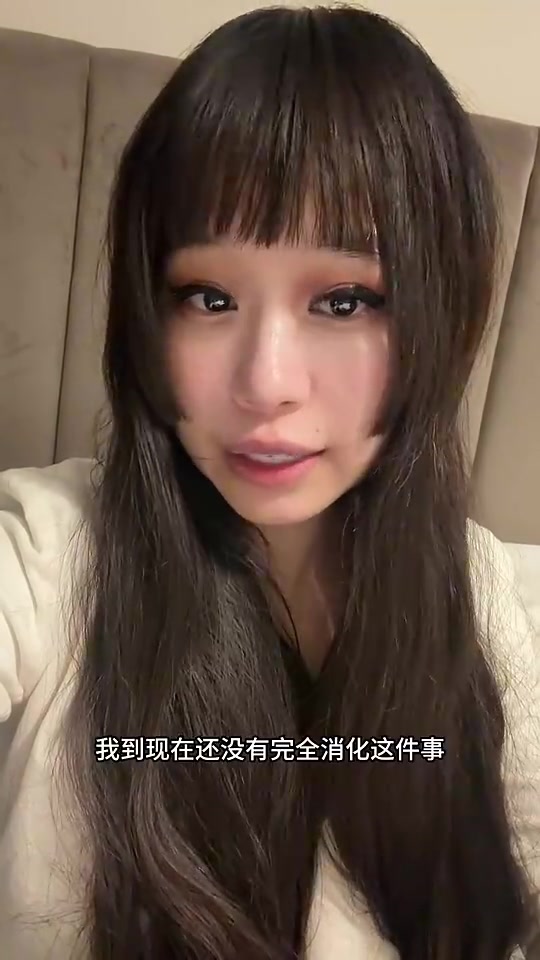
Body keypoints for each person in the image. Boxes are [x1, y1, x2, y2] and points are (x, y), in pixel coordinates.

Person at [0, 4, 539, 958]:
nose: (266, 383)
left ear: (444, 314)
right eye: (208, 298)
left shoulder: (498, 607)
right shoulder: (44, 559)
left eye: (346, 301)